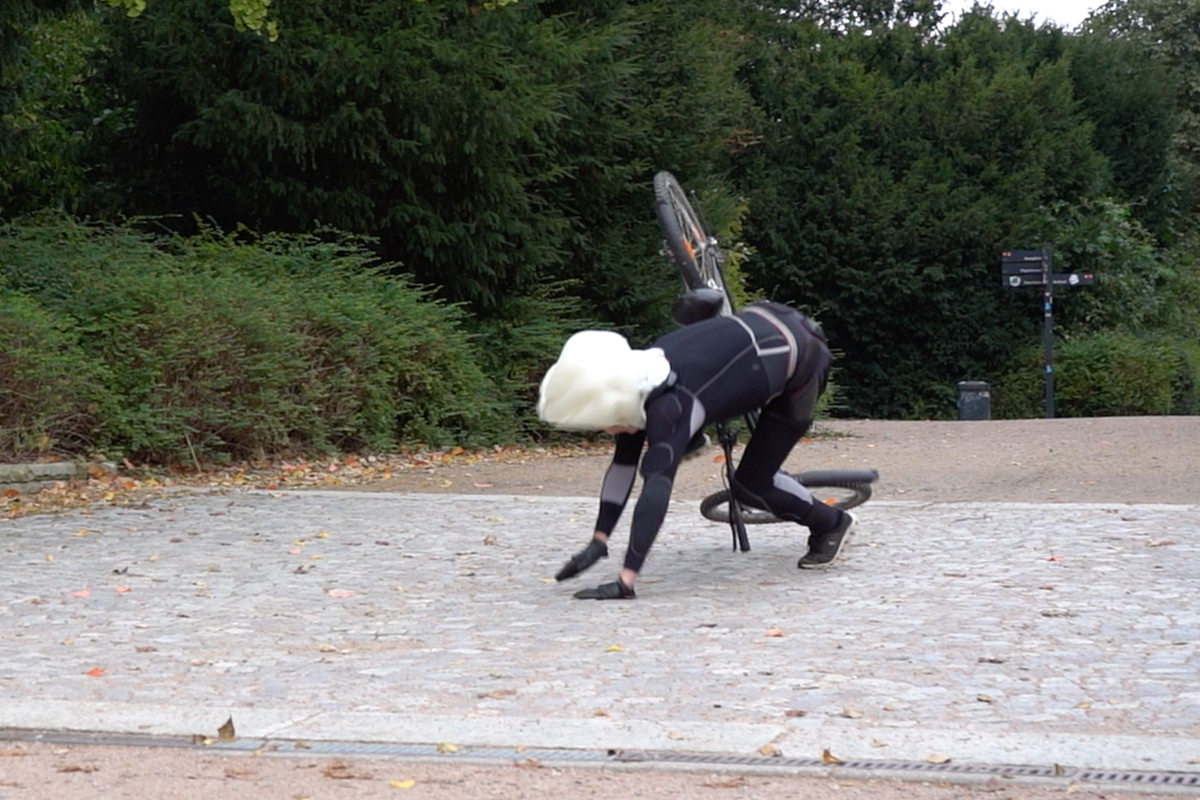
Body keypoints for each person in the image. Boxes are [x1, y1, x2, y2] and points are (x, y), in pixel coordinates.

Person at [537, 297, 857, 600]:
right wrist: (599, 540)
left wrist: (626, 581)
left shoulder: (669, 406)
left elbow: (656, 491)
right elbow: (623, 465)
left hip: (801, 360)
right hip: (765, 325)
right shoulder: (637, 376)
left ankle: (831, 523)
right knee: (661, 434)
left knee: (750, 485)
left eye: (603, 422)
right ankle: (689, 439)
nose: (604, 429)